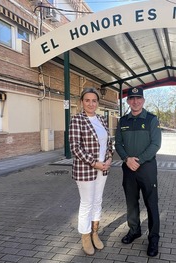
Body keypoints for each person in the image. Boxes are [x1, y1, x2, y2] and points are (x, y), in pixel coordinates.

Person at [115, 87, 162, 257]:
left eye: (138, 98)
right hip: (128, 168)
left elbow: (156, 144)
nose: (135, 101)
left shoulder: (151, 119)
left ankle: (154, 238)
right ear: (127, 101)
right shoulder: (123, 121)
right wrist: (127, 159)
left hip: (147, 168)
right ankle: (134, 231)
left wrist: (139, 160)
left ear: (143, 100)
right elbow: (118, 144)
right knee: (131, 203)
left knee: (151, 204)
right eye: (132, 98)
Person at [69, 87, 113, 256]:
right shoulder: (77, 120)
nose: (90, 103)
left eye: (94, 100)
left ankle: (95, 233)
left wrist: (109, 158)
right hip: (86, 170)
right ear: (82, 102)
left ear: (97, 103)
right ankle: (85, 236)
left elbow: (108, 143)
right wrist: (95, 163)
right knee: (87, 203)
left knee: (97, 201)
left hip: (103, 169)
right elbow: (75, 148)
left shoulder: (102, 120)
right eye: (87, 100)